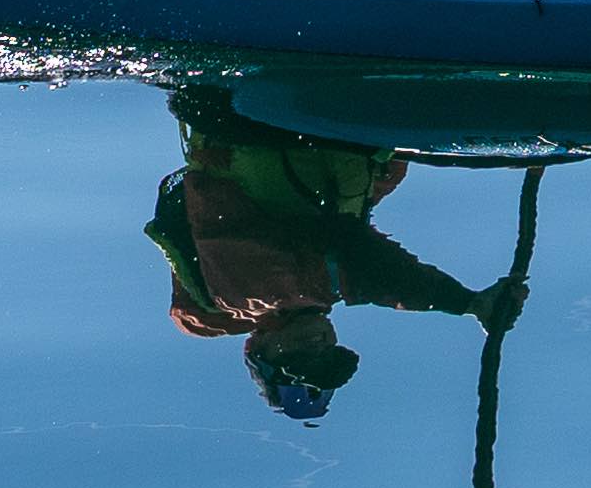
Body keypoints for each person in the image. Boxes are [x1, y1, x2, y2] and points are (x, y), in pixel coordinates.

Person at [144, 85, 515, 421]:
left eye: (297, 358)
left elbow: (361, 259)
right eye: (327, 355)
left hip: (250, 111)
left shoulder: (245, 295)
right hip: (301, 117)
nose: (317, 348)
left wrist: (465, 302)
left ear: (261, 346)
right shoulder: (325, 286)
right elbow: (365, 269)